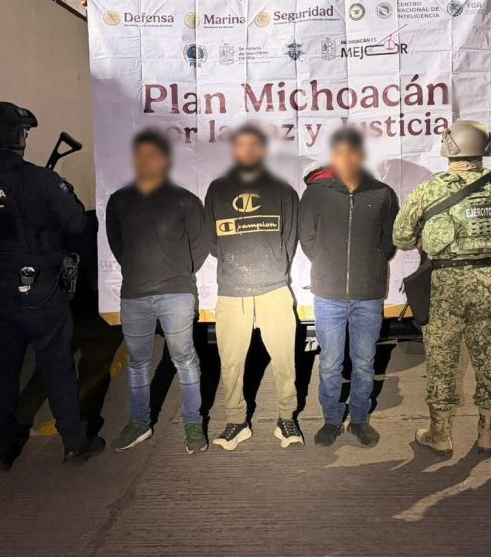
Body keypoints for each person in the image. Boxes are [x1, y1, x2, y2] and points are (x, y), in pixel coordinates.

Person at [0, 102, 104, 470]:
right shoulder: (40, 180)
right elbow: (77, 224)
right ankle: (74, 443)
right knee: (57, 366)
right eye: (25, 132)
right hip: (39, 290)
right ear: (17, 136)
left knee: (2, 370)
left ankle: (1, 451)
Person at [393, 121, 491, 455]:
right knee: (488, 358)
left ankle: (440, 434)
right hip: (490, 281)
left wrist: (426, 240)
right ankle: (487, 434)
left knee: (441, 360)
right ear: (483, 147)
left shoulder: (430, 190)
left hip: (446, 284)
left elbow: (401, 236)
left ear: (450, 147)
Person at [105, 129, 209, 454]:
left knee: (185, 360)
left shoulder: (184, 199)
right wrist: (138, 270)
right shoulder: (119, 200)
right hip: (134, 295)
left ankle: (193, 425)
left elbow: (201, 245)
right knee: (138, 363)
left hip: (176, 293)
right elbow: (117, 244)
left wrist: (178, 273)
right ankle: (140, 423)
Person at [298, 127, 399, 447]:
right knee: (330, 363)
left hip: (368, 295)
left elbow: (390, 241)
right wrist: (327, 262)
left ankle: (359, 419)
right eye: (339, 153)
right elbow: (307, 239)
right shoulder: (316, 194)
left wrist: (372, 260)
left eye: (352, 152)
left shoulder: (382, 194)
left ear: (362, 155)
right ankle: (331, 419)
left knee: (364, 362)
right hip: (328, 295)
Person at [204, 124, 302, 450]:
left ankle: (286, 418)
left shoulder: (282, 191)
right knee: (231, 363)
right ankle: (236, 422)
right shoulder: (217, 189)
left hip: (274, 289)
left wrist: (272, 267)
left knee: (285, 360)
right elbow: (213, 242)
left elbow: (290, 240)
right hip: (232, 292)